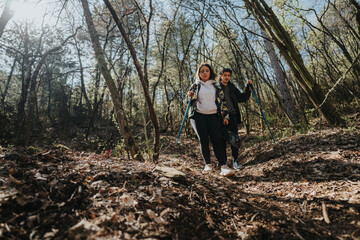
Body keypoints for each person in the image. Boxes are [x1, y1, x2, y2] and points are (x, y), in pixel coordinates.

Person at [188, 63, 235, 176]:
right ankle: (207, 165)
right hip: (198, 115)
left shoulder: (216, 86)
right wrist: (190, 96)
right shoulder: (195, 85)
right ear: (199, 73)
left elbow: (223, 102)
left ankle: (223, 166)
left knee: (216, 139)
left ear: (210, 72)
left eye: (207, 71)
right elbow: (190, 101)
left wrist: (225, 116)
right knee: (203, 139)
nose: (204, 73)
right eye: (202, 71)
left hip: (213, 115)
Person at [218, 68, 252, 169]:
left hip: (233, 116)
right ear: (221, 76)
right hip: (220, 117)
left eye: (228, 75)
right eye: (225, 75)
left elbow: (242, 98)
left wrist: (248, 88)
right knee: (221, 140)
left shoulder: (232, 87)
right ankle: (223, 163)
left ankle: (235, 161)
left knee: (234, 139)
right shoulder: (216, 88)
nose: (227, 77)